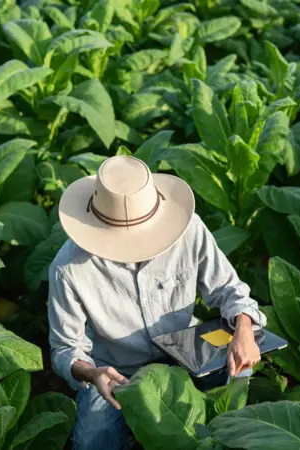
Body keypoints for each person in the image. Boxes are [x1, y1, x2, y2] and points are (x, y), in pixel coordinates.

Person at [48, 156, 267, 450]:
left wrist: (243, 328)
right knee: (93, 442)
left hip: (185, 350)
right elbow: (65, 348)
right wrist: (92, 373)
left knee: (241, 372)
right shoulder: (69, 268)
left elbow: (229, 288)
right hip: (115, 370)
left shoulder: (189, 231)